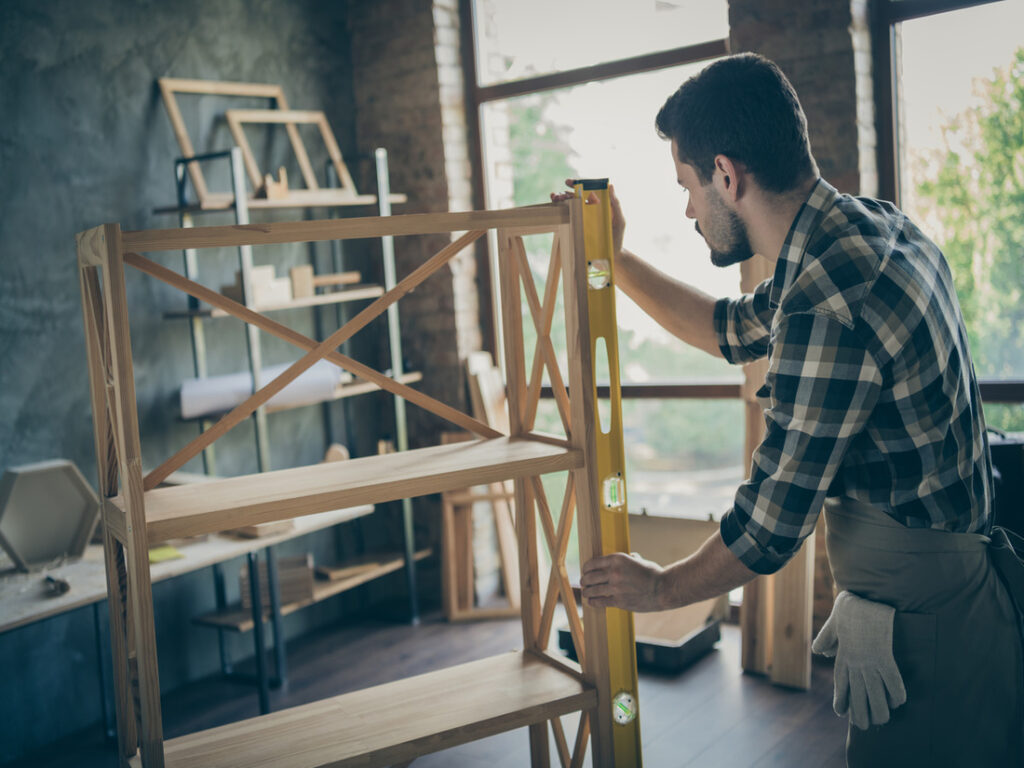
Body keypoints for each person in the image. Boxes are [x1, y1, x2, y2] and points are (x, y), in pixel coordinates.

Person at [556, 53, 1023, 766]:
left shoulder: (826, 295)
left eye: (686, 186)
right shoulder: (862, 231)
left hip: (934, 620)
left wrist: (660, 588)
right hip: (939, 592)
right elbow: (729, 329)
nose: (686, 210)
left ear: (725, 174)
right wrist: (614, 261)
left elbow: (772, 524)